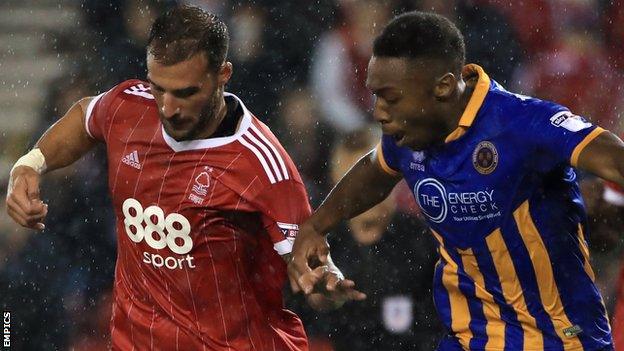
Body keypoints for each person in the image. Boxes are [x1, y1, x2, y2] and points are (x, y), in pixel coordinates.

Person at [5, 6, 362, 350]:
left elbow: (310, 267)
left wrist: (323, 287)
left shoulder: (264, 167)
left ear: (223, 75)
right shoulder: (128, 107)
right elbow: (86, 115)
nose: (167, 107)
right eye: (158, 88)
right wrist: (30, 163)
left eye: (186, 92)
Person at [290, 10, 624, 351]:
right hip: (470, 339)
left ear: (444, 87)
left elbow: (614, 158)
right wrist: (316, 226)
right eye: (375, 95)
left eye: (390, 98)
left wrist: (613, 200)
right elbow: (375, 171)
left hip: (558, 339)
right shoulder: (408, 134)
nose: (378, 111)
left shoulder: (521, 122)